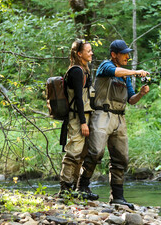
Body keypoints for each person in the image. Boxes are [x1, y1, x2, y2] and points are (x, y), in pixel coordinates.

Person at [77, 39, 150, 209]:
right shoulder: (105, 66)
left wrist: (141, 93)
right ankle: (82, 187)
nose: (127, 56)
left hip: (120, 118)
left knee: (121, 158)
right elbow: (114, 71)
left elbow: (131, 100)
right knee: (95, 152)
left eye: (127, 53)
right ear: (114, 55)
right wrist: (136, 72)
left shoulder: (125, 77)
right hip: (102, 114)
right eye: (124, 53)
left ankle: (117, 197)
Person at [58, 39, 98, 200]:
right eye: (88, 51)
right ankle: (65, 189)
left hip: (86, 116)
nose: (91, 53)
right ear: (79, 54)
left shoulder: (85, 69)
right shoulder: (76, 71)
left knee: (82, 153)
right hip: (77, 117)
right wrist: (82, 122)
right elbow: (79, 100)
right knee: (73, 152)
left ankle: (76, 187)